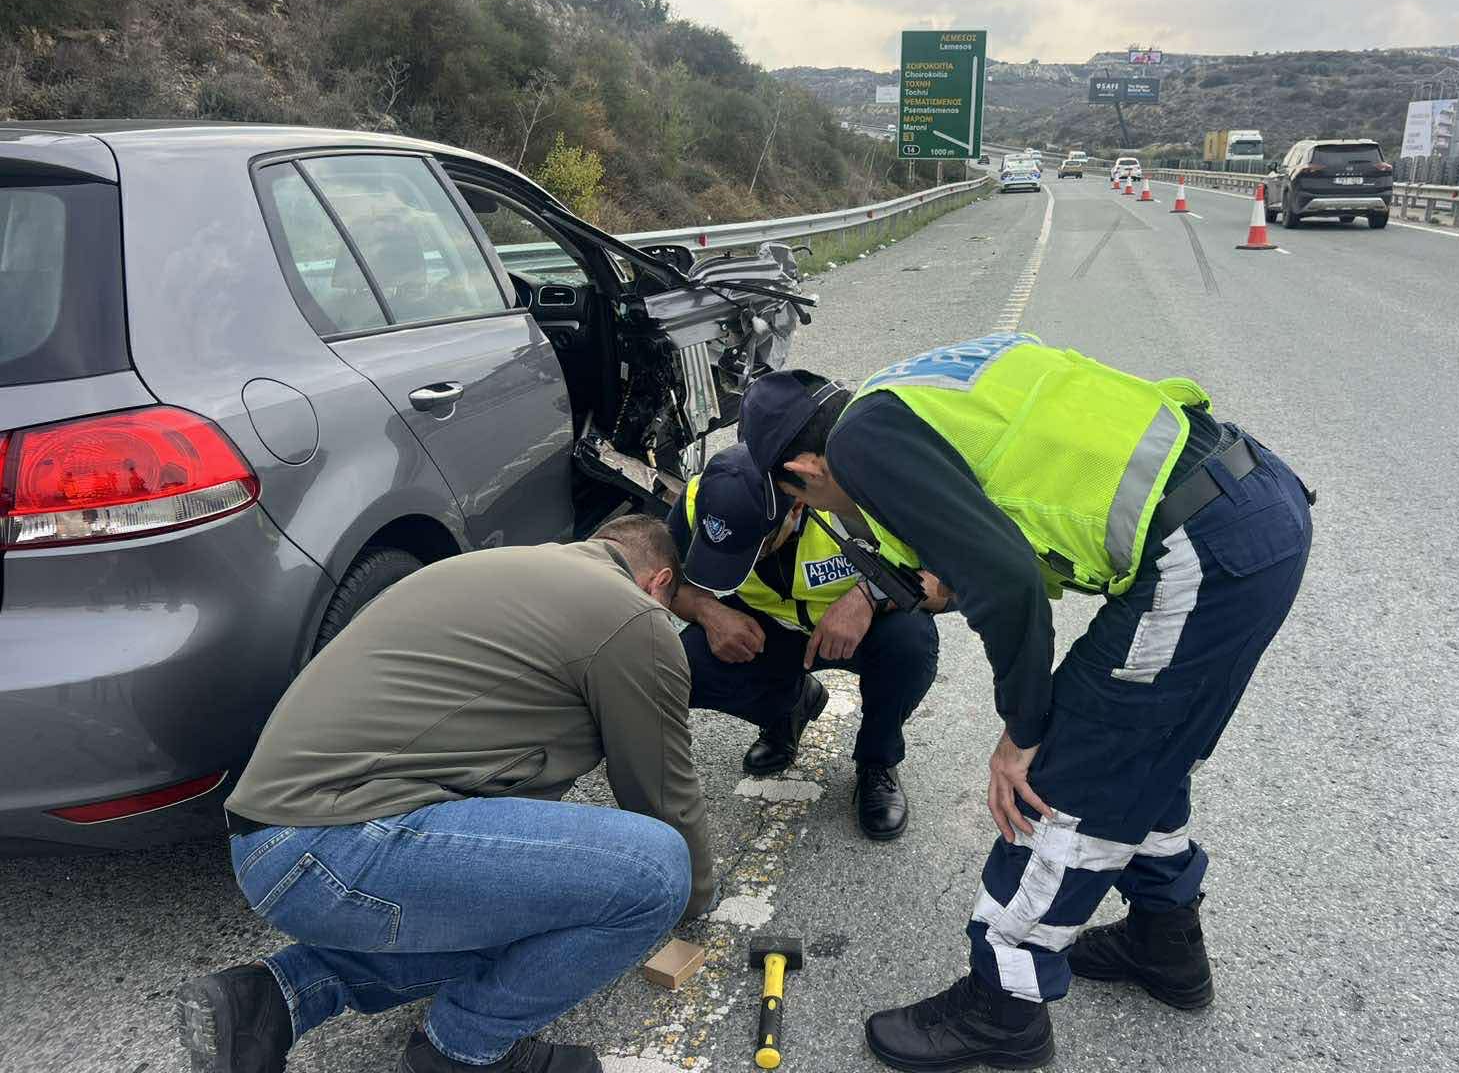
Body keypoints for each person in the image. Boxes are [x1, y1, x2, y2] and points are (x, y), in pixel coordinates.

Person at [739, 335, 1315, 1072]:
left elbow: (1009, 587)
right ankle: (1164, 944)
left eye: (806, 500)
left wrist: (1023, 731)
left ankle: (1002, 1007)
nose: (830, 506)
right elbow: (995, 506)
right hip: (1252, 498)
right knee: (1143, 744)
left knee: (1063, 778)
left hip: (1202, 546)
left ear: (803, 470)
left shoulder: (858, 448)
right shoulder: (902, 391)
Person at [175, 517, 714, 1073]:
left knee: (544, 890)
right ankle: (465, 1048)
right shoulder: (633, 616)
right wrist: (695, 900)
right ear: (657, 584)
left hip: (271, 844)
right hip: (336, 842)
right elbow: (663, 795)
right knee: (655, 869)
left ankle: (271, 1002)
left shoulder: (508, 573)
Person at [667, 439, 939, 840]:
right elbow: (666, 582)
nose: (743, 562)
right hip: (768, 627)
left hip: (866, 629)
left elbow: (946, 582)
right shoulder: (700, 502)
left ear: (796, 507)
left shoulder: (860, 502)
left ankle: (877, 762)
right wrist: (710, 612)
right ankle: (787, 708)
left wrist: (868, 597)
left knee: (911, 641)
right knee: (681, 665)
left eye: (752, 549)